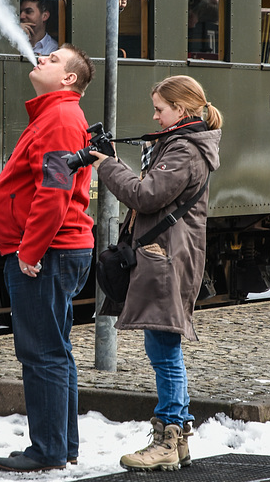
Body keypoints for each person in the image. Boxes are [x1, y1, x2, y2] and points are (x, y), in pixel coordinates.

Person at [90, 75, 222, 472]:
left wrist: (107, 166)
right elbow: (153, 190)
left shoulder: (184, 149)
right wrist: (113, 159)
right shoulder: (182, 145)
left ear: (181, 110)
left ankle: (166, 439)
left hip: (168, 259)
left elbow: (145, 195)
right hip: (167, 256)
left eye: (160, 109)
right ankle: (177, 437)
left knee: (163, 352)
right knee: (165, 348)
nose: (155, 115)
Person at [0, 44, 96, 472]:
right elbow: (43, 179)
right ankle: (62, 447)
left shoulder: (60, 119)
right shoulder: (55, 115)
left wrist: (30, 249)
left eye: (52, 60)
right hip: (58, 248)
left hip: (48, 252)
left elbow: (56, 190)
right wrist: (5, 192)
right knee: (55, 350)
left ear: (68, 79)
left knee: (41, 353)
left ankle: (47, 451)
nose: (41, 59)